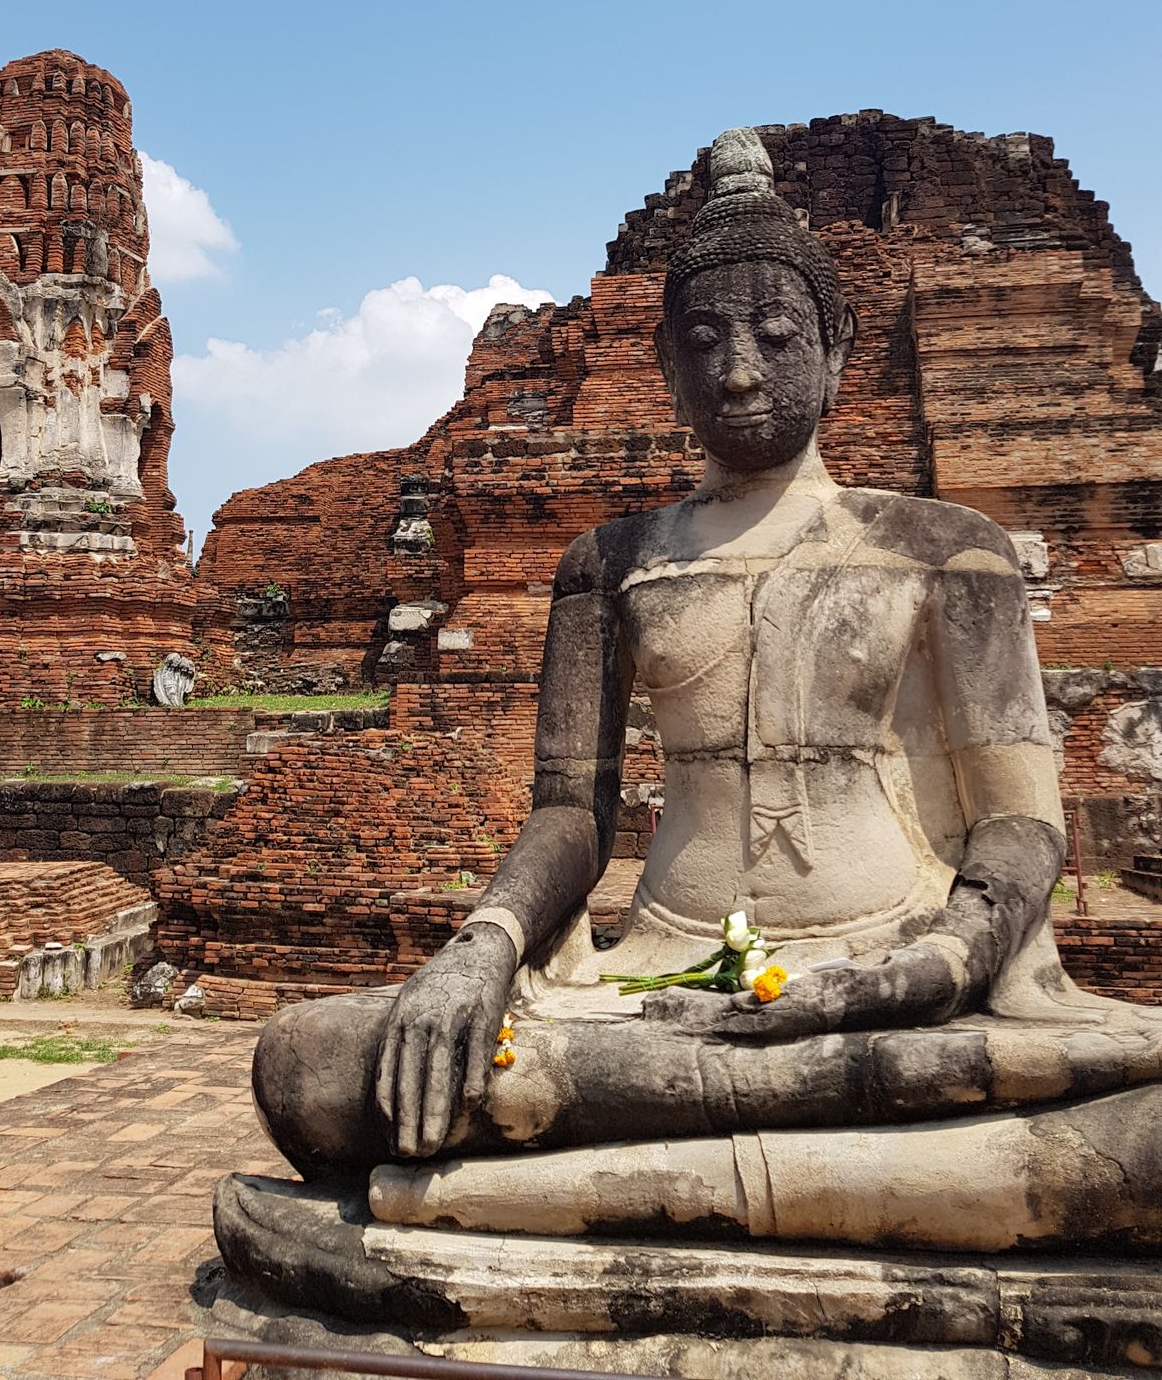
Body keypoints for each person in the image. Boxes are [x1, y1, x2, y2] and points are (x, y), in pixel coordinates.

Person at [248, 130, 1160, 1237]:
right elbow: (569, 816)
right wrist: (480, 948)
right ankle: (855, 1186)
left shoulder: (946, 549)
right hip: (660, 981)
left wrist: (933, 966)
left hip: (896, 977)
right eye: (703, 340)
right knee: (310, 1068)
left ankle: (540, 1197)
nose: (738, 372)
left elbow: (1020, 823)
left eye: (776, 336)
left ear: (837, 342)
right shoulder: (609, 564)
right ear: (665, 364)